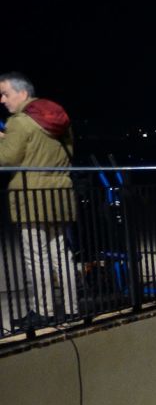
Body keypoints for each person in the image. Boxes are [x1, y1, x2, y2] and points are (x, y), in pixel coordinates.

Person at [0, 72, 76, 327]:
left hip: (31, 195)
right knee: (60, 253)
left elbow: (7, 159)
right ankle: (71, 307)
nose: (2, 100)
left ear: (22, 93)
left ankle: (43, 310)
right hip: (59, 193)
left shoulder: (20, 122)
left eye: (5, 94)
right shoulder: (58, 119)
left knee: (36, 255)